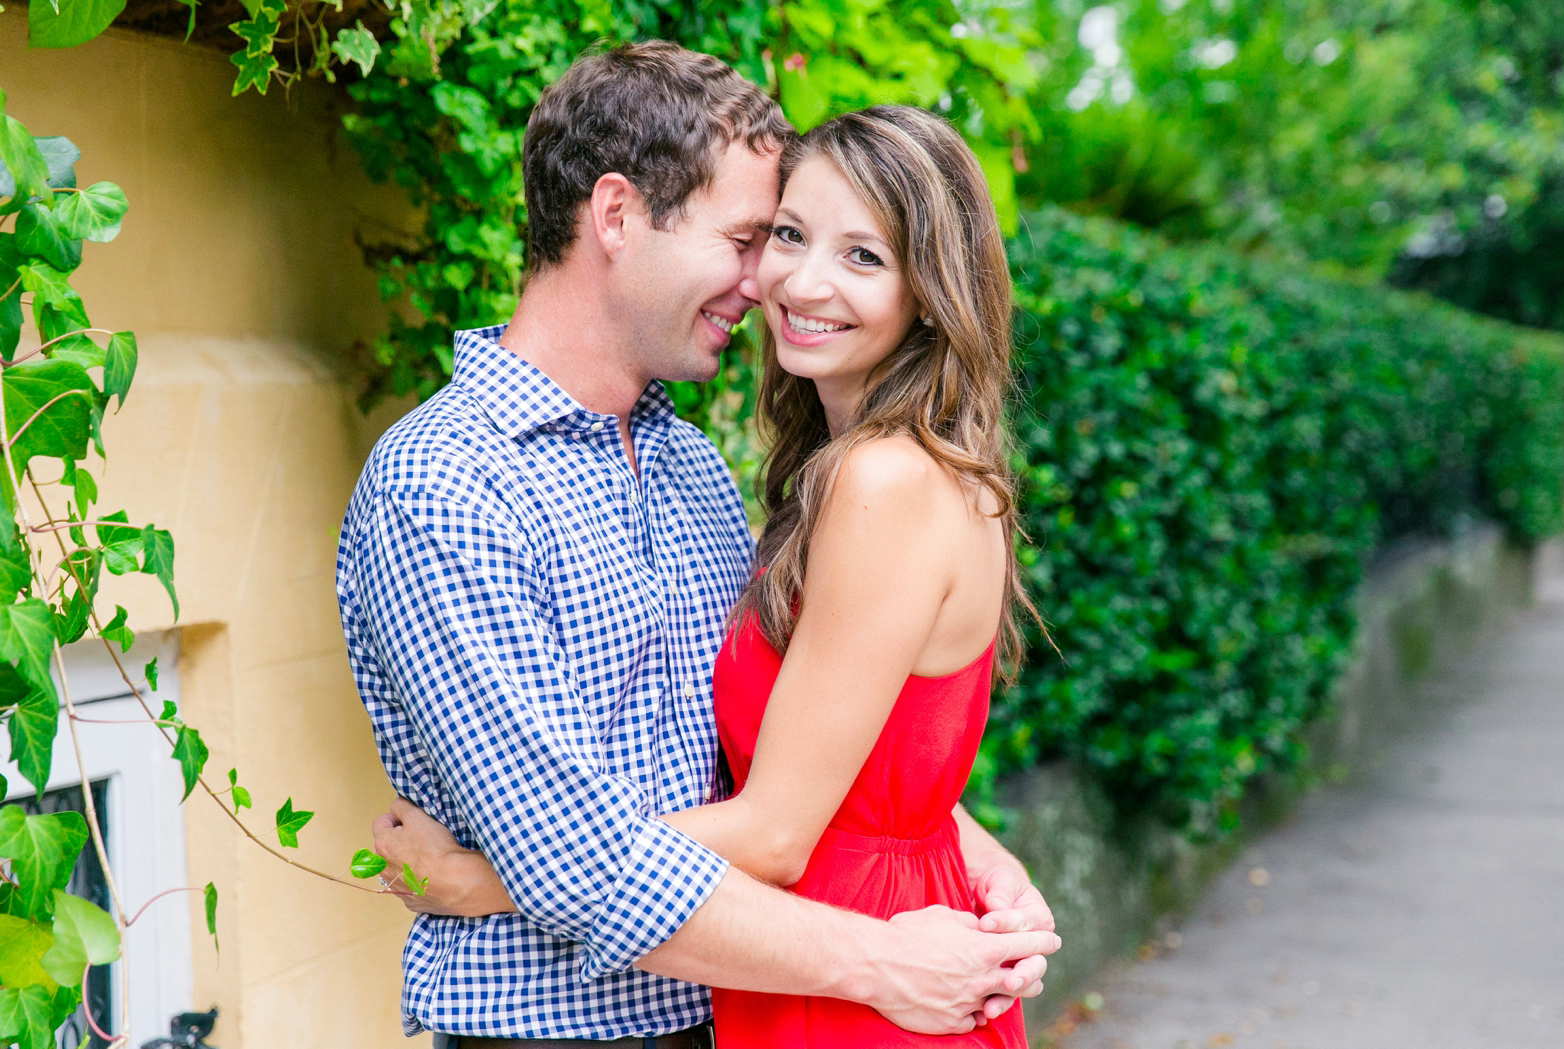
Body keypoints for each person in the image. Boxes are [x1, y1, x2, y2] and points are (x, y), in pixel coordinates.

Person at [336, 41, 1058, 1049]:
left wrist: (971, 855)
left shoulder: (689, 464)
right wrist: (880, 955)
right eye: (758, 236)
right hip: (566, 1029)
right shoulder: (449, 483)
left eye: (848, 250)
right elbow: (572, 860)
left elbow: (796, 759)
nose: (770, 280)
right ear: (619, 215)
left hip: (745, 1005)